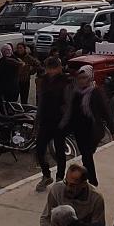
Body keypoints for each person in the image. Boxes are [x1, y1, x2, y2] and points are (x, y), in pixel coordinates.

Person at [60, 65, 114, 186]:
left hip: (93, 130)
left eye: (84, 78)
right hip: (79, 130)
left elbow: (106, 112)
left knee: (87, 156)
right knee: (86, 156)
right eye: (79, 78)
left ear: (90, 78)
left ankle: (92, 181)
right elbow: (71, 113)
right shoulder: (76, 93)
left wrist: (113, 131)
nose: (82, 81)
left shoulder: (96, 92)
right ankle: (87, 180)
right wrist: (63, 128)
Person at [37, 164, 105, 226]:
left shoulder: (96, 199)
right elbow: (45, 218)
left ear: (83, 184)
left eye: (73, 185)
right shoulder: (57, 190)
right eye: (66, 182)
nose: (68, 188)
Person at [34, 57, 71, 191]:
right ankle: (46, 175)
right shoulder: (43, 81)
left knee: (59, 150)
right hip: (45, 120)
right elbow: (41, 100)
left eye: (54, 68)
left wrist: (65, 121)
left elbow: (69, 103)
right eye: (49, 68)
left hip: (60, 120)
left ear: (59, 68)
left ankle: (60, 177)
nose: (51, 71)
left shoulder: (66, 81)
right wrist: (37, 119)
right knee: (39, 149)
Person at [0, 44, 22, 110]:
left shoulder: (3, 61)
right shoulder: (16, 60)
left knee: (5, 107)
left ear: (3, 52)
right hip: (14, 87)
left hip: (4, 89)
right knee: (12, 105)